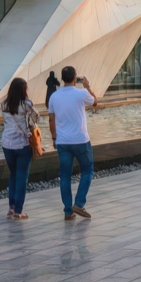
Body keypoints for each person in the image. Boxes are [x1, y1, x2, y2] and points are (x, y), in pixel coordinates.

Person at [47, 66, 99, 220]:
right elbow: (95, 102)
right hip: (81, 140)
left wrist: (54, 138)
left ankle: (68, 211)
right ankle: (79, 203)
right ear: (75, 78)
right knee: (88, 170)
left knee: (65, 176)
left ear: (62, 78)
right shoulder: (81, 93)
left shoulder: (54, 97)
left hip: (63, 142)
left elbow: (51, 119)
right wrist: (88, 87)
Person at [0, 77, 39, 219]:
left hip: (6, 143)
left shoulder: (3, 104)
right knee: (22, 176)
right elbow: (37, 117)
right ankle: (18, 211)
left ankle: (11, 207)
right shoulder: (27, 104)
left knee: (13, 175)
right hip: (22, 144)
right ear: (24, 90)